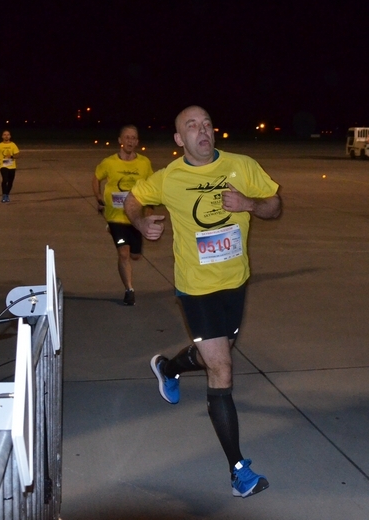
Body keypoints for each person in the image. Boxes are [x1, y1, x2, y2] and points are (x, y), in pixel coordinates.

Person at [125, 105, 281, 498]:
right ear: (180, 139)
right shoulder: (169, 177)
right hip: (195, 288)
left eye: (207, 124)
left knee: (216, 354)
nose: (203, 131)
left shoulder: (242, 166)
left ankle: (168, 368)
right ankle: (239, 471)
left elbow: (275, 205)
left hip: (235, 283)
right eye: (192, 126)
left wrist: (249, 204)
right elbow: (132, 200)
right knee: (221, 368)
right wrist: (140, 222)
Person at [93, 125, 153, 305]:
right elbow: (96, 178)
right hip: (116, 216)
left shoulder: (144, 163)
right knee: (124, 254)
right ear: (120, 140)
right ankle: (129, 290)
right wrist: (98, 197)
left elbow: (151, 185)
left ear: (137, 141)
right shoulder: (109, 162)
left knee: (135, 255)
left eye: (133, 138)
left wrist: (150, 207)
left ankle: (119, 234)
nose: (130, 141)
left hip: (135, 217)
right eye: (127, 137)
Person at [0, 130, 20, 202]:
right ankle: (4, 195)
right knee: (5, 179)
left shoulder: (13, 145)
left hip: (12, 165)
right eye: (4, 135)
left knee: (10, 181)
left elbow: (17, 155)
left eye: (8, 135)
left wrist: (12, 156)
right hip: (3, 165)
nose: (6, 136)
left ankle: (7, 194)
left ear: (10, 136)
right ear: (2, 136)